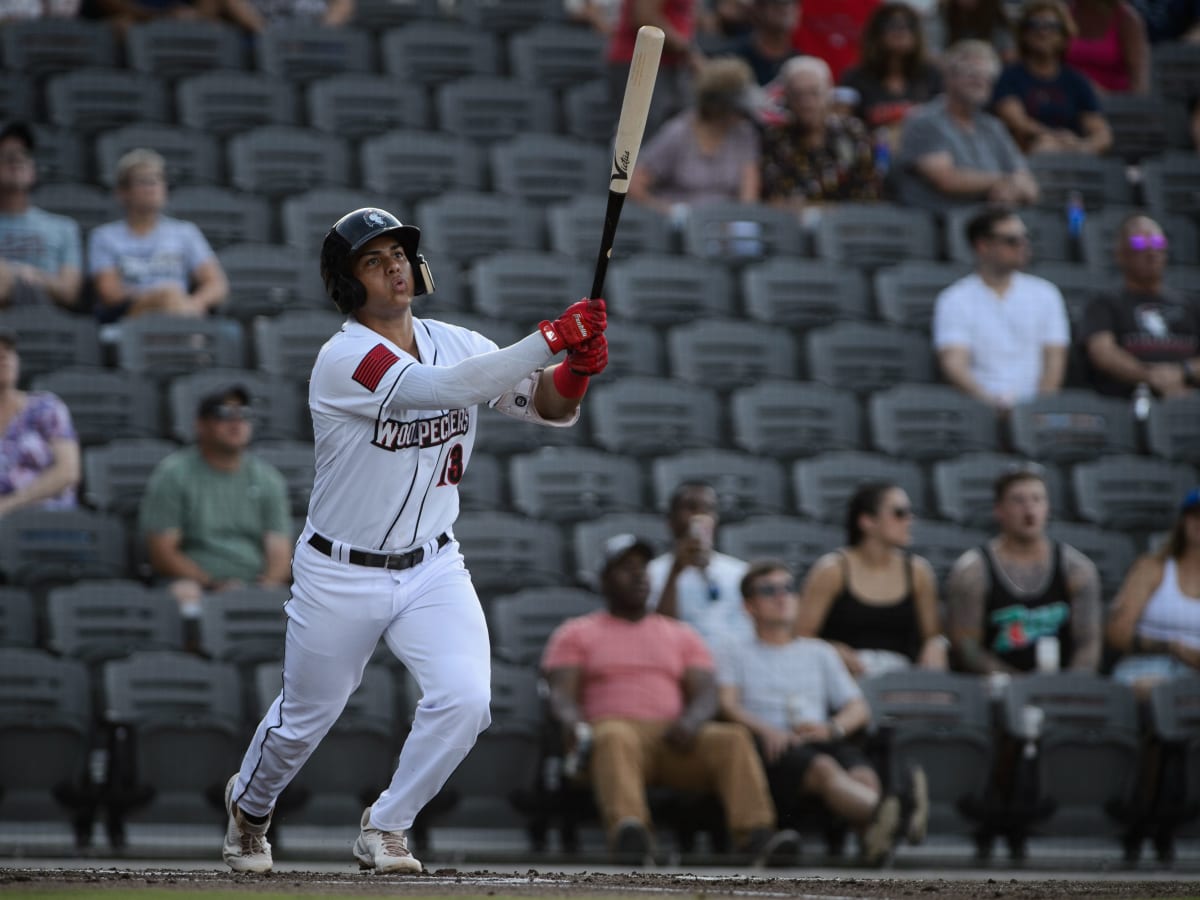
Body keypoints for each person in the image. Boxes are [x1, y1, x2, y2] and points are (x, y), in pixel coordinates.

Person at [221, 207, 609, 874]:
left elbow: (550, 407)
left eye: (398, 251)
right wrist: (550, 336)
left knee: (466, 700)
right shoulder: (344, 357)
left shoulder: (457, 340)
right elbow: (439, 390)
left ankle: (388, 824)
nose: (393, 264)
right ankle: (250, 811)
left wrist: (577, 368)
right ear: (347, 283)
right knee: (304, 722)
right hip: (340, 571)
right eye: (373, 259)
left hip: (433, 563)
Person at [542, 533, 801, 864]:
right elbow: (561, 694)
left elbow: (706, 691)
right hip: (614, 736)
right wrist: (575, 726)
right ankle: (631, 836)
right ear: (604, 579)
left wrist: (692, 721)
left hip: (676, 737)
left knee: (732, 739)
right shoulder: (576, 633)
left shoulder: (680, 633)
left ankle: (758, 838)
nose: (638, 575)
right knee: (613, 736)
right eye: (626, 568)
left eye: (643, 569)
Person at [719, 558, 926, 865]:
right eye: (769, 590)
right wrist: (767, 730)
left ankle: (876, 842)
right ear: (748, 606)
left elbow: (858, 708)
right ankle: (899, 816)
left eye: (787, 588)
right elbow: (727, 705)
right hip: (773, 747)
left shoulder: (819, 651)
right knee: (825, 769)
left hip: (820, 735)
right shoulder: (734, 651)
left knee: (863, 775)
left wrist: (832, 728)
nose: (781, 596)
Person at [139, 384, 292, 622]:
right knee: (183, 597)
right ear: (200, 425)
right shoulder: (173, 474)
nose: (236, 422)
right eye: (223, 415)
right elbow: (163, 552)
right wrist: (213, 584)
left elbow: (280, 549)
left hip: (255, 585)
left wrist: (264, 589)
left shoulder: (267, 478)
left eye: (244, 415)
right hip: (197, 584)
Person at [945, 466, 1103, 675]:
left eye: (1037, 499)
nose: (1030, 510)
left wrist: (1072, 684)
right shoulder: (972, 571)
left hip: (1062, 684)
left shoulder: (1078, 570)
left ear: (1047, 507)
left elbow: (1089, 644)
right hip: (996, 685)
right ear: (999, 510)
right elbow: (968, 649)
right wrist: (1017, 687)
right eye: (1018, 500)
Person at [795, 482, 948, 679]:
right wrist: (832, 650)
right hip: (844, 678)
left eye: (910, 513)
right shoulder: (832, 570)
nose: (909, 520)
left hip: (903, 678)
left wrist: (938, 645)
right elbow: (802, 636)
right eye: (899, 513)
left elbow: (932, 635)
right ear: (867, 521)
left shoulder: (919, 572)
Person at [933, 206, 1071, 414]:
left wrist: (1037, 410)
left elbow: (1054, 361)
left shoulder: (1046, 294)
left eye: (1025, 238)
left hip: (1036, 412)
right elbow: (955, 365)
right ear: (983, 245)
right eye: (1011, 240)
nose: (1023, 246)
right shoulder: (954, 299)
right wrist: (992, 406)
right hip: (978, 411)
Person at [894, 40, 1040, 214]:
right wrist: (1003, 181)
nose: (979, 80)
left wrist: (1016, 189)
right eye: (971, 73)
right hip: (937, 224)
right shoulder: (924, 120)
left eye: (986, 75)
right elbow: (946, 179)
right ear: (948, 77)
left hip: (989, 225)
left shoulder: (993, 127)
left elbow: (1030, 185)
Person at [88, 149, 228, 324]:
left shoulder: (186, 232)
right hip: (129, 317)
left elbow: (217, 284)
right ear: (123, 192)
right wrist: (160, 297)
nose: (153, 187)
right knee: (169, 295)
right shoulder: (104, 236)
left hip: (183, 308)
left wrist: (195, 303)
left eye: (158, 179)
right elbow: (110, 293)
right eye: (144, 181)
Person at [1079, 212, 1200, 400]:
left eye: (1158, 244)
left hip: (1189, 402)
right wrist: (1149, 376)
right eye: (1140, 244)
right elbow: (1103, 352)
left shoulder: (1191, 304)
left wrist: (1183, 372)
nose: (1152, 252)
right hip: (1126, 402)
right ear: (1120, 254)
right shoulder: (1104, 302)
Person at [629, 57, 761, 219]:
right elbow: (634, 186)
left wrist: (741, 221)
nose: (742, 116)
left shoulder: (744, 134)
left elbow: (748, 194)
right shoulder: (678, 133)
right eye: (736, 109)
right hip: (682, 229)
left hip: (726, 227)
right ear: (717, 106)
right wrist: (670, 213)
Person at [1106, 487, 1200, 697]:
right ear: (1183, 521)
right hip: (1148, 665)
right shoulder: (1152, 569)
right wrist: (1170, 647)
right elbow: (1117, 634)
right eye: (1195, 515)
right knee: (1154, 691)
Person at [991, 0, 1113, 156]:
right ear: (1024, 34)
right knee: (1044, 146)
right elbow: (1018, 123)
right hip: (1026, 157)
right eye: (1035, 24)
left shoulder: (1077, 81)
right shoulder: (1009, 77)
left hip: (1071, 154)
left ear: (1063, 37)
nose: (1043, 31)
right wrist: (1055, 138)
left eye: (1052, 26)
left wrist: (1082, 146)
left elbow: (1102, 134)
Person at [760, 55, 881, 212]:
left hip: (848, 230)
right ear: (787, 99)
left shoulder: (854, 133)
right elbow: (777, 203)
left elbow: (868, 197)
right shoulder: (775, 139)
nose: (807, 103)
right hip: (794, 231)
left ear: (828, 94)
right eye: (798, 95)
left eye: (814, 93)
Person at [647, 480, 753, 648]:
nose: (700, 516)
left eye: (708, 509)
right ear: (671, 520)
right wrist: (676, 571)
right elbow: (657, 634)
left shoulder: (740, 572)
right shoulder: (651, 573)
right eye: (691, 508)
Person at [0, 122, 82, 311]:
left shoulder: (63, 227)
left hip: (46, 323)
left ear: (33, 170)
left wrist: (30, 275)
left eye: (23, 155)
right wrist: (16, 273)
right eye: (6, 156)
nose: (16, 160)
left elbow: (69, 292)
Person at [838, 2, 942, 148]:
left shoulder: (932, 75)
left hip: (925, 157)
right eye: (891, 24)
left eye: (908, 25)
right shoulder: (855, 78)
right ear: (877, 32)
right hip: (872, 157)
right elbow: (842, 125)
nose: (900, 31)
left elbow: (944, 124)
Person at [0, 330, 80, 516]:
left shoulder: (45, 408)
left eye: (9, 351)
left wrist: (8, 505)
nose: (4, 356)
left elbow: (68, 471)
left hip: (48, 520)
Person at [607, 0, 704, 137]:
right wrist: (688, 51)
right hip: (640, 63)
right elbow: (644, 18)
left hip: (671, 65)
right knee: (642, 136)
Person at [1064, 0, 1150, 93]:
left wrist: (1094, 93)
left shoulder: (1127, 20)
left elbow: (1139, 85)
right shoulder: (1063, 14)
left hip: (1113, 103)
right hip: (1065, 100)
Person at [714, 0, 801, 86]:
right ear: (758, 9)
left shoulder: (800, 64)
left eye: (793, 3)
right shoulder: (732, 57)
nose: (786, 9)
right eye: (777, 4)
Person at [940, 0, 1017, 61]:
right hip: (954, 68)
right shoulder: (945, 14)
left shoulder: (997, 19)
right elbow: (937, 52)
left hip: (990, 68)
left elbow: (1009, 54)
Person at [219, 0, 353, 32]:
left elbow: (343, 4)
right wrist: (264, 33)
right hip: (258, 37)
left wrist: (323, 32)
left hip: (315, 33)